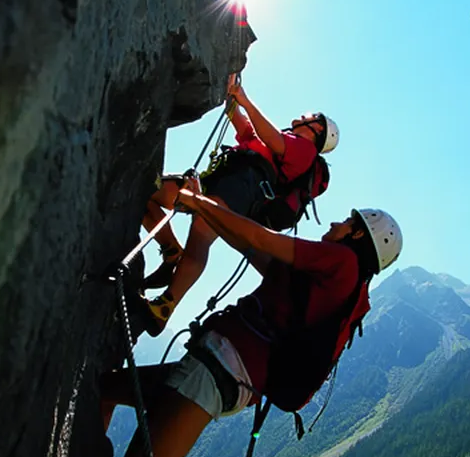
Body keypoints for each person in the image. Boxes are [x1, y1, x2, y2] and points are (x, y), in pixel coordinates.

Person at [101, 177, 402, 457]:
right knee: (105, 389)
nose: (336, 222)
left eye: (347, 221)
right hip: (228, 374)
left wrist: (196, 202)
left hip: (220, 369)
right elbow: (249, 245)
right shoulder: (333, 284)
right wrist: (206, 207)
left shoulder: (342, 260)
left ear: (356, 234)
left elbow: (260, 239)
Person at [138, 76, 341, 337]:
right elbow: (248, 131)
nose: (302, 116)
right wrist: (232, 99)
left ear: (318, 131)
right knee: (149, 193)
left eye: (311, 116)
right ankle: (171, 251)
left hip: (244, 185)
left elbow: (273, 138)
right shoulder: (281, 143)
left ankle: (165, 307)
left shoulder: (305, 151)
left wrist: (244, 99)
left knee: (201, 233)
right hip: (229, 177)